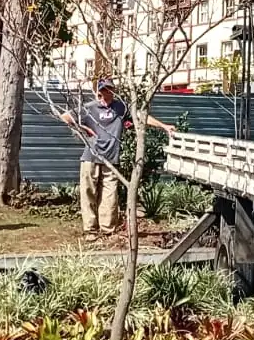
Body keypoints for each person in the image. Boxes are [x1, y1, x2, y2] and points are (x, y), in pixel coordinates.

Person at [61, 78, 175, 240]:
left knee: (110, 194)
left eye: (110, 89)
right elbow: (65, 116)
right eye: (104, 89)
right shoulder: (90, 108)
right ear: (99, 91)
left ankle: (108, 230)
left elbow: (141, 118)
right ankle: (90, 231)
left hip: (111, 158)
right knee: (88, 193)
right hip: (91, 157)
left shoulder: (121, 108)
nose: (107, 92)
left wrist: (164, 126)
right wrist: (85, 129)